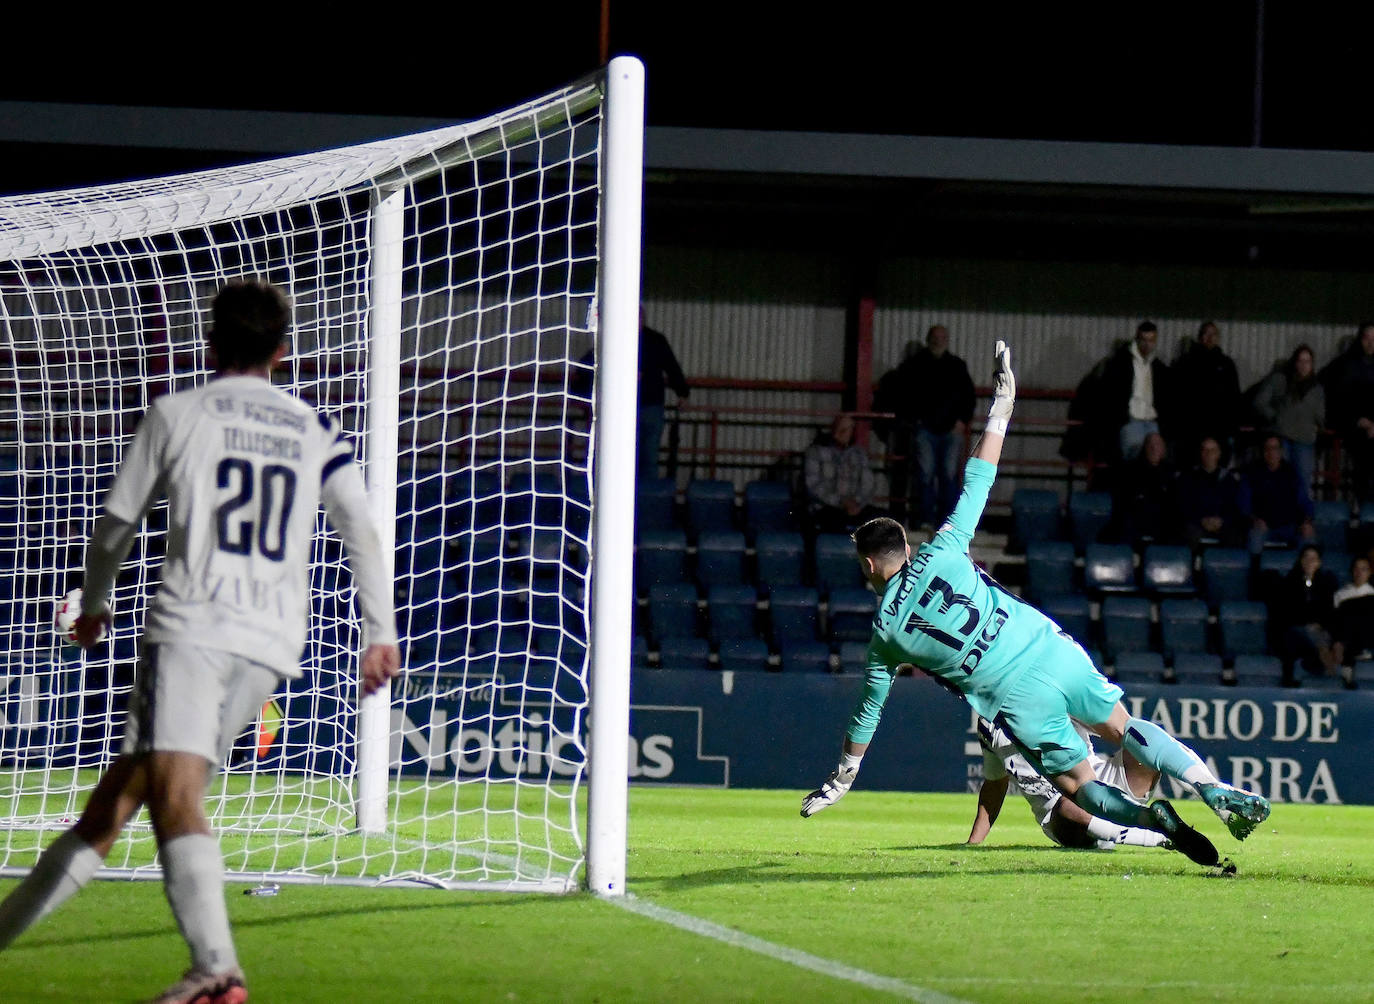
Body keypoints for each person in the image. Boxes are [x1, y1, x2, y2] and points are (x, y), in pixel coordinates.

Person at [0, 281, 401, 1004]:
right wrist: (380, 632)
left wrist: (93, 607)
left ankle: (216, 968)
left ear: (209, 344)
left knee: (176, 797)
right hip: (272, 641)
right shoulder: (316, 429)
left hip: (192, 630)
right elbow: (361, 530)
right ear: (283, 351)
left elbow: (118, 524)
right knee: (113, 809)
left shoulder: (176, 413)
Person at [800, 340, 1270, 870]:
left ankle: (1150, 819)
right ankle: (1212, 787)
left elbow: (868, 713)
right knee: (1123, 727)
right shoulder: (946, 547)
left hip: (1014, 698)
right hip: (1049, 648)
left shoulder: (887, 632)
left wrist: (841, 780)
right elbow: (979, 477)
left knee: (1083, 790)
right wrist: (1002, 406)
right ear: (908, 547)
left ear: (868, 567)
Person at [968, 716, 1170, 852]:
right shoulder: (989, 723)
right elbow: (995, 783)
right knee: (1069, 805)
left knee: (1148, 741)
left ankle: (1201, 785)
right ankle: (1162, 835)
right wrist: (973, 843)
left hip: (1099, 780)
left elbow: (1115, 726)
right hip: (1059, 812)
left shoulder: (1055, 689)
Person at [874, 325, 975, 528]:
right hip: (925, 430)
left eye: (942, 337)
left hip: (950, 430)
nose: (938, 341)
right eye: (935, 337)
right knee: (926, 475)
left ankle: (947, 521)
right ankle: (927, 519)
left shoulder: (957, 366)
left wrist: (962, 421)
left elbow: (968, 397)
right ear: (929, 339)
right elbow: (901, 396)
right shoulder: (913, 366)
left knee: (948, 476)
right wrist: (915, 421)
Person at [1251, 344, 1325, 501]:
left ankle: (1302, 520)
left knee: (1302, 483)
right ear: (1294, 362)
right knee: (1278, 480)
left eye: (1308, 361)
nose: (1304, 365)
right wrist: (1275, 417)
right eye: (1300, 361)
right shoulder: (1279, 380)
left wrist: (1318, 427)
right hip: (1281, 438)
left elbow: (1321, 415)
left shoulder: (1317, 389)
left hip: (1304, 441)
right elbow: (1260, 402)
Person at [1100, 320, 1173, 463]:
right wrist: (1121, 418)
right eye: (1143, 340)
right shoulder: (1120, 364)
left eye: (1151, 340)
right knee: (1133, 461)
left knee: (1155, 462)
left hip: (1152, 422)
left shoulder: (1159, 367)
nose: (1147, 344)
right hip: (1131, 421)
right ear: (1137, 339)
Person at [1268, 544, 1340, 687]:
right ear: (1301, 561)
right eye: (1306, 558)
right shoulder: (1290, 582)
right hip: (1295, 631)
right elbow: (1288, 612)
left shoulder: (1326, 583)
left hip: (1320, 630)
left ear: (1319, 563)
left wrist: (1317, 623)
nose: (1309, 562)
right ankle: (1331, 669)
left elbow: (1328, 611)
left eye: (1313, 559)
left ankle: (1327, 664)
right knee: (1312, 636)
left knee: (1323, 635)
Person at [1171, 321, 1241, 462]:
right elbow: (1177, 396)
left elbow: (1234, 397)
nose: (1209, 337)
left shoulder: (1226, 364)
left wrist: (1232, 428)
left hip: (1219, 428)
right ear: (1200, 337)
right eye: (1206, 334)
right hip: (1192, 428)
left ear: (1218, 337)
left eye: (1213, 334)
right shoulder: (1186, 362)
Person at [803, 412, 882, 535]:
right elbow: (813, 486)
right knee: (832, 521)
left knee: (883, 522)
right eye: (841, 428)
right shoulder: (815, 452)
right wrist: (841, 502)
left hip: (855, 506)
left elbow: (868, 483)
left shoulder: (859, 454)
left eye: (848, 429)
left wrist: (856, 502)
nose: (843, 433)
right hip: (826, 507)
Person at [1321, 322, 1374, 504]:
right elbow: (1336, 400)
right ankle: (1362, 509)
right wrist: (1359, 421)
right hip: (1352, 427)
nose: (1371, 344)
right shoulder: (1345, 365)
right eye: (1367, 339)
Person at [1237, 434, 1316, 555]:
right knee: (1255, 538)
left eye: (1274, 448)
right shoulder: (1252, 473)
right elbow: (1244, 504)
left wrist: (1306, 522)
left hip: (1290, 526)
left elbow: (1304, 502)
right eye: (1267, 448)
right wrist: (1254, 520)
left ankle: (1302, 574)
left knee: (1309, 538)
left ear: (1280, 451)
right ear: (1263, 452)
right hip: (1263, 526)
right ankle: (1255, 573)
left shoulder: (1292, 474)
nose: (1271, 452)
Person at [636, 309, 690, 481]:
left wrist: (682, 393)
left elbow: (671, 367)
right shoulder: (617, 339)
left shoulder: (655, 340)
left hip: (651, 406)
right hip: (627, 408)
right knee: (629, 455)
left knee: (649, 457)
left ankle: (646, 500)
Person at [1108, 431, 1181, 546]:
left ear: (1163, 449)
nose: (1153, 448)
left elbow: (1174, 502)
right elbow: (1125, 499)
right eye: (1150, 445)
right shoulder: (1131, 470)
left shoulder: (1171, 473)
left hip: (1161, 519)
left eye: (1157, 445)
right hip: (1136, 517)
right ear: (1145, 448)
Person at [1176, 436, 1244, 549]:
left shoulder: (1228, 479)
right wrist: (1201, 520)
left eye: (1212, 450)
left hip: (1222, 524)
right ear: (1200, 453)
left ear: (1218, 454)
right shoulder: (1188, 478)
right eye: (1205, 450)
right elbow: (1183, 505)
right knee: (1187, 533)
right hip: (1197, 524)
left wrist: (1222, 521)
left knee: (1235, 535)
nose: (1208, 454)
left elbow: (1234, 507)